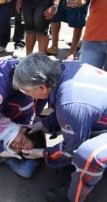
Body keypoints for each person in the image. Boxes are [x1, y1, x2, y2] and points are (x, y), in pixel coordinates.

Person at [12, 52, 107, 202]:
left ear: (42, 87)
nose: (27, 95)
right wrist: (42, 124)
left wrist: (44, 152)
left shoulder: (70, 103)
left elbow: (71, 149)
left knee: (86, 155)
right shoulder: (65, 68)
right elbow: (67, 111)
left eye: (26, 90)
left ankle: (73, 196)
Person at [0, 58, 46, 157]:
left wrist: (26, 127)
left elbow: (37, 105)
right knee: (27, 104)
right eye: (22, 143)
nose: (18, 147)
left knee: (31, 104)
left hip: (15, 88)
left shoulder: (32, 75)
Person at [72, 0, 107, 69]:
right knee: (85, 77)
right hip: (94, 37)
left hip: (93, 37)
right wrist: (75, 2)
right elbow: (80, 2)